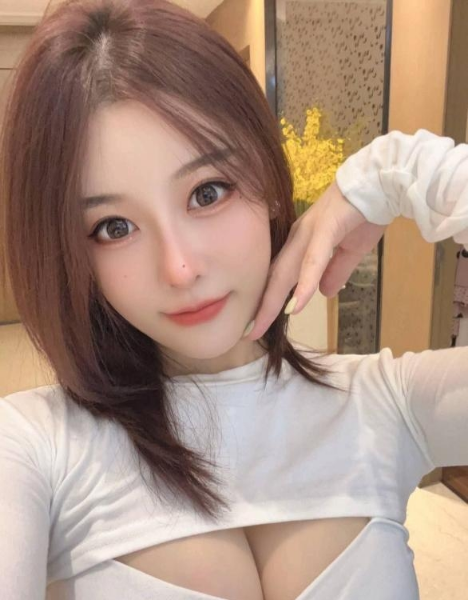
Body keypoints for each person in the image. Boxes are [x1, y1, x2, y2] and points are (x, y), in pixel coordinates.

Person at [0, 1, 466, 599]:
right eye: (114, 227)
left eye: (207, 192)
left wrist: (407, 172)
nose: (180, 268)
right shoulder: (32, 445)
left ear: (269, 181)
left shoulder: (386, 405)